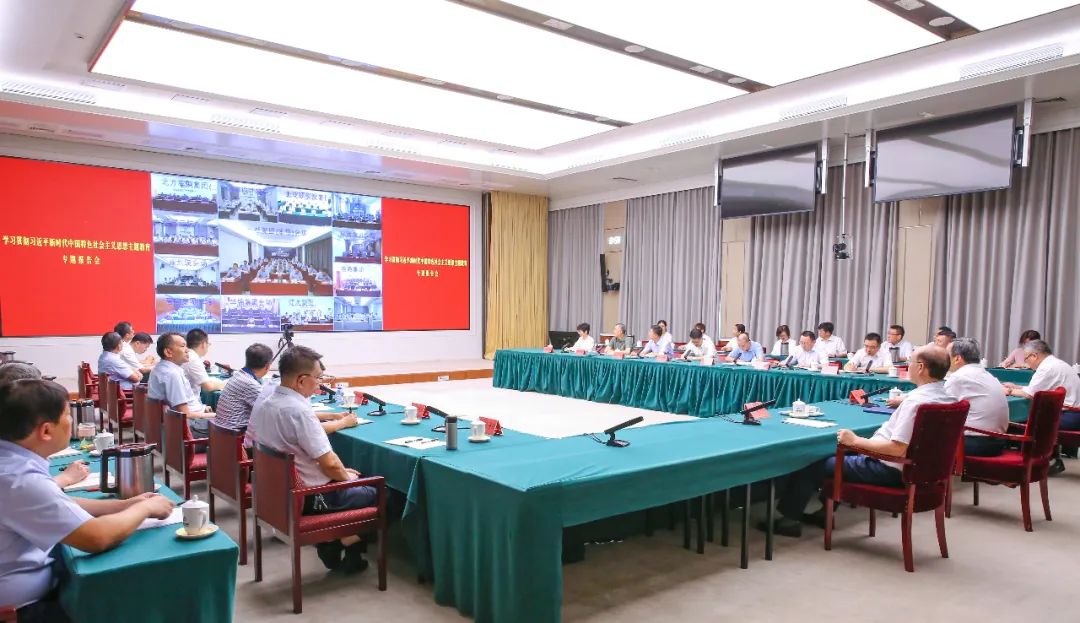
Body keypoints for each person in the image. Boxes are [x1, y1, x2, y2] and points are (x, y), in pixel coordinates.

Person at [0, 379, 174, 621]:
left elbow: (57, 503)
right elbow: (97, 538)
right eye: (67, 415)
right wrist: (145, 508)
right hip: (22, 610)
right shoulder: (19, 479)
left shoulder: (12, 462)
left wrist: (125, 504)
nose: (71, 421)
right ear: (46, 431)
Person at [764, 346, 954, 537]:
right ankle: (824, 513)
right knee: (840, 454)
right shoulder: (948, 398)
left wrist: (855, 440)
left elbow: (896, 448)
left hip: (889, 468)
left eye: (910, 362)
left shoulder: (915, 402)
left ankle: (789, 520)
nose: (907, 366)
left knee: (813, 463)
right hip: (923, 470)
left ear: (920, 367)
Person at [249, 346, 370, 573]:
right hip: (309, 498)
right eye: (318, 378)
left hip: (275, 494)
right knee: (387, 495)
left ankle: (343, 544)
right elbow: (330, 464)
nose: (320, 384)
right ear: (302, 380)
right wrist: (346, 479)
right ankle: (339, 542)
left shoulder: (267, 403)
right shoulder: (298, 411)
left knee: (357, 478)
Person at [944, 338, 1009, 457]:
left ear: (957, 358)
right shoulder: (988, 375)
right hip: (998, 442)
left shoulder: (959, 377)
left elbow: (940, 409)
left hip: (976, 443)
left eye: (946, 355)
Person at [148, 332, 213, 437]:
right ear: (168, 352)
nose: (187, 350)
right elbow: (185, 414)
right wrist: (215, 415)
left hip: (177, 424)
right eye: (183, 346)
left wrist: (202, 409)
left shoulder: (161, 368)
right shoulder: (172, 374)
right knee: (232, 426)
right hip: (188, 427)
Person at [213, 343, 273, 442]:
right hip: (236, 441)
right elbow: (272, 412)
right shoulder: (250, 384)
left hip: (223, 438)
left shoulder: (238, 375)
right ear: (267, 366)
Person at [182, 329, 226, 398]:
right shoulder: (194, 359)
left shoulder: (189, 355)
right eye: (208, 344)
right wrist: (226, 383)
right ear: (203, 344)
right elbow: (209, 387)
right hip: (190, 401)